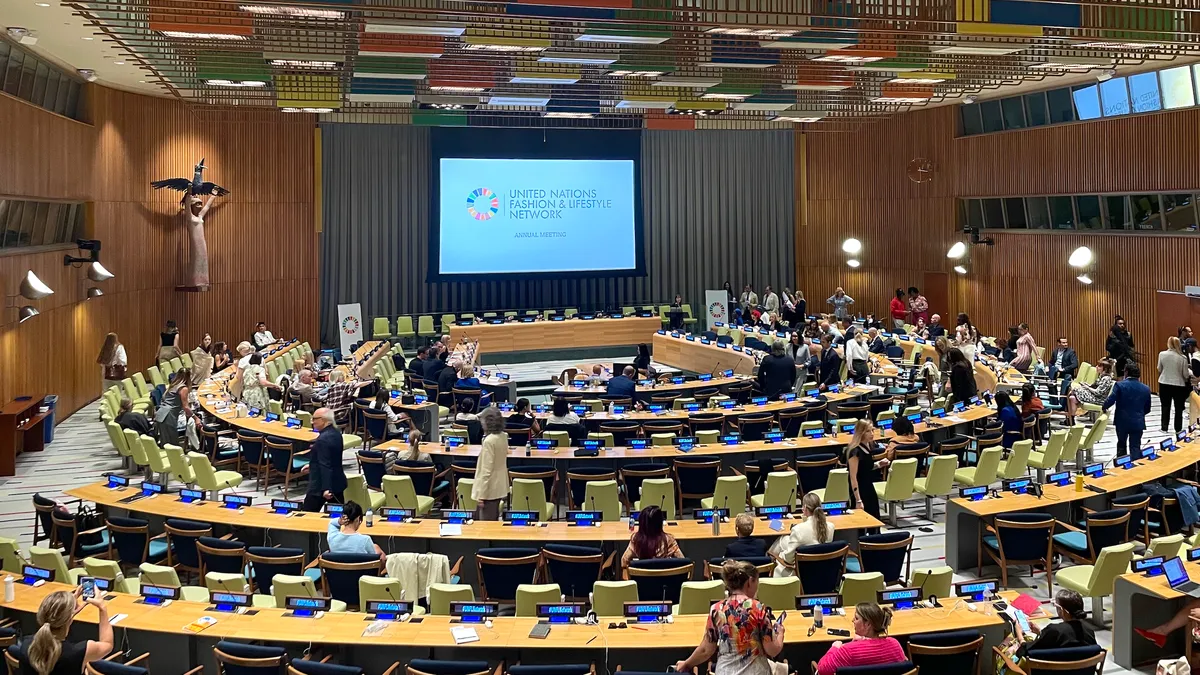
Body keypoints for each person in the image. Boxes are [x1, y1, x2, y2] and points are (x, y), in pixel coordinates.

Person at [674, 560, 786, 675]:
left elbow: (705, 650)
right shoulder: (757, 608)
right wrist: (780, 634)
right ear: (749, 582)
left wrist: (686, 664)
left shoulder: (716, 609)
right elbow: (772, 650)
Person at [14, 589, 112, 675]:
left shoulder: (26, 645)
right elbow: (107, 644)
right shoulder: (79, 651)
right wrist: (102, 608)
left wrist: (67, 610)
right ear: (69, 619)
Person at [814, 602, 906, 675]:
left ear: (868, 624)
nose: (853, 620)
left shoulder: (847, 651)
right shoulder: (895, 644)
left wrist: (835, 647)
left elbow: (822, 669)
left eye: (856, 618)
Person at [1011, 589, 1095, 660]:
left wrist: (1020, 636)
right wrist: (1041, 633)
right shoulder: (1089, 631)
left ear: (1062, 611)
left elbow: (1024, 651)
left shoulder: (1054, 630)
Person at [769, 493, 834, 577]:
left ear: (805, 508)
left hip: (803, 573)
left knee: (781, 545)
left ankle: (767, 560)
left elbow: (789, 560)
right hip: (823, 571)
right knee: (784, 539)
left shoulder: (798, 530)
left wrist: (782, 554)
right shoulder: (831, 527)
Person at [302, 408, 346, 511]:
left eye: (314, 419)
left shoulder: (323, 439)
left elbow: (325, 464)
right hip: (337, 482)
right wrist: (312, 465)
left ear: (323, 420)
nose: (312, 422)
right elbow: (331, 457)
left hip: (320, 486)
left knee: (307, 515)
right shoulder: (336, 433)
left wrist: (327, 488)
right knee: (337, 515)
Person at [1104, 362, 1152, 456]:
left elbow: (1111, 400)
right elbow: (1147, 408)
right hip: (1138, 422)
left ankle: (1121, 468)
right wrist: (1139, 414)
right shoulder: (1146, 388)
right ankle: (1137, 468)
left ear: (1126, 372)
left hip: (1122, 421)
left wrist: (1104, 407)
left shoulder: (1119, 385)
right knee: (1135, 447)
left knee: (1121, 445)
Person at [472, 405, 509, 521]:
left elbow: (486, 471)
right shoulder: (503, 436)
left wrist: (481, 495)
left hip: (489, 490)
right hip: (499, 485)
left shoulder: (489, 441)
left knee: (485, 526)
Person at [622, 505, 682, 572]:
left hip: (642, 579)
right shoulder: (669, 539)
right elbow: (682, 561)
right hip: (665, 580)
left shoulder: (636, 539)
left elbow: (624, 560)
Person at [847, 420, 885, 523]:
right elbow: (853, 477)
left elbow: (865, 468)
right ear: (861, 432)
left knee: (875, 517)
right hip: (859, 490)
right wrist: (858, 500)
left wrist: (878, 464)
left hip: (868, 486)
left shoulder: (868, 446)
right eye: (868, 431)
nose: (872, 434)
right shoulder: (855, 452)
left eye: (872, 430)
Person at [1158, 336, 1191, 433]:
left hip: (1164, 382)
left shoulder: (1162, 354)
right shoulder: (1183, 358)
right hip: (1179, 384)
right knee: (1179, 408)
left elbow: (1159, 368)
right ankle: (1178, 428)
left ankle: (1164, 427)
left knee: (1165, 406)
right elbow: (1185, 374)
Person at [1067, 359, 1115, 425]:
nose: (1096, 367)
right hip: (1095, 396)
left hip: (1099, 399)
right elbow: (1094, 386)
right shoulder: (1102, 376)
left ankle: (1067, 416)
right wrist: (1086, 385)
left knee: (1075, 390)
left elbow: (1098, 392)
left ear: (1105, 369)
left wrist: (1087, 387)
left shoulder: (1106, 379)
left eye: (1099, 366)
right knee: (1072, 398)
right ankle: (1070, 420)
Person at [154, 368, 194, 446]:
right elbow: (186, 407)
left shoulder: (173, 385)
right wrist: (195, 417)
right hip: (168, 416)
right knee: (172, 445)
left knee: (165, 443)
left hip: (161, 414)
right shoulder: (183, 388)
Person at [1047, 336, 1079, 403]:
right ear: (1059, 343)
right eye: (1063, 343)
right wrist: (1047, 366)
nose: (1066, 344)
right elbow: (1051, 362)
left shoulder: (1071, 352)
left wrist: (1064, 369)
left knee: (1052, 376)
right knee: (1044, 369)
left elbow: (1075, 364)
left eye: (1066, 342)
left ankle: (1054, 399)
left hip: (1064, 373)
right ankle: (1052, 397)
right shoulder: (1055, 351)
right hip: (1055, 370)